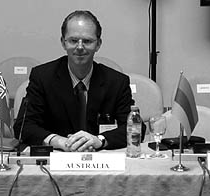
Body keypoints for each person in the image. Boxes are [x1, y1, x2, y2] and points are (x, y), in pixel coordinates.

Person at [14, 10, 146, 152]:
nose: (80, 47)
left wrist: (99, 140)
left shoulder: (117, 82)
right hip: (56, 159)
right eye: (73, 40)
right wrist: (59, 141)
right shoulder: (42, 77)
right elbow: (23, 126)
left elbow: (136, 128)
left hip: (100, 161)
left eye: (87, 41)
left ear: (98, 44)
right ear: (63, 43)